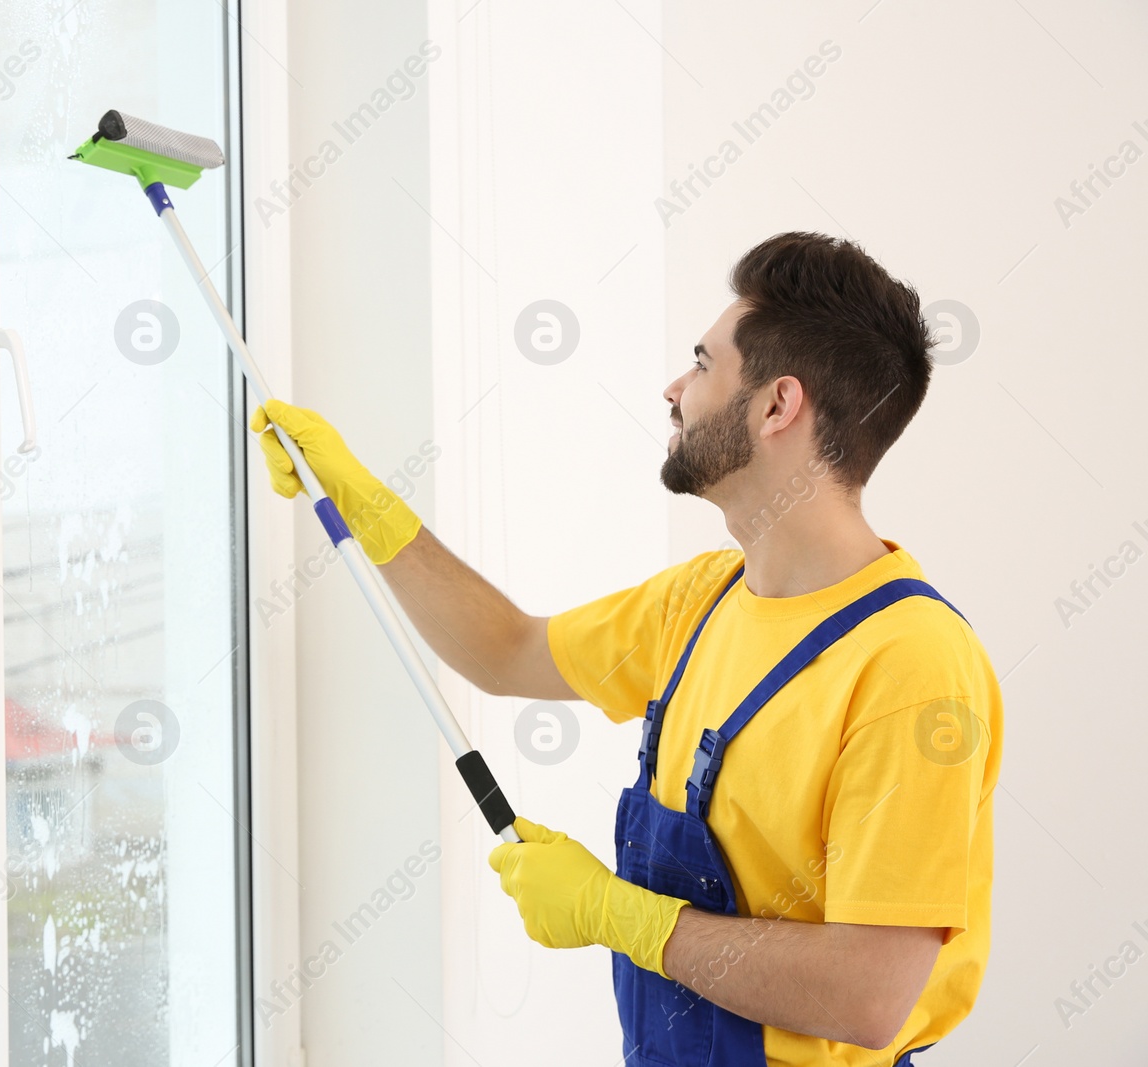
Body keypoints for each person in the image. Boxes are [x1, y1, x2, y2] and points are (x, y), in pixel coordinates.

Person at [249, 232, 1001, 1066]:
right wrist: (366, 506)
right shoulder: (701, 600)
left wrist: (618, 915)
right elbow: (506, 649)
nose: (674, 390)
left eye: (702, 364)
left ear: (777, 405)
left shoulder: (911, 667)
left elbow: (870, 992)